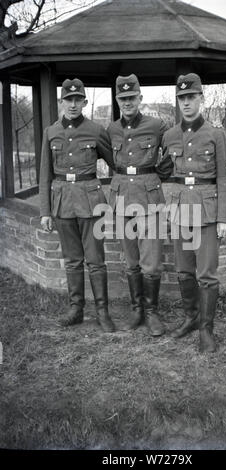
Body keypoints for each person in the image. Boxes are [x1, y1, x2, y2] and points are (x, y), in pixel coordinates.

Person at [162, 73, 226, 352]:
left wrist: (225, 218)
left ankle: (206, 329)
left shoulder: (216, 135)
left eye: (191, 97)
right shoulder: (169, 136)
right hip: (180, 211)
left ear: (201, 99)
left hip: (207, 211)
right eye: (182, 98)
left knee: (206, 273)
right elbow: (164, 173)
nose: (187, 102)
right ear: (177, 101)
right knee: (183, 270)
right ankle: (190, 318)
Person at [39, 78, 116, 332]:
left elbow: (116, 164)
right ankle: (76, 309)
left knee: (95, 260)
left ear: (84, 102)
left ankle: (102, 312)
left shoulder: (96, 130)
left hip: (91, 202)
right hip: (62, 203)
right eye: (68, 100)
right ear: (61, 102)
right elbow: (44, 175)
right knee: (72, 260)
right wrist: (45, 212)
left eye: (77, 100)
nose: (73, 104)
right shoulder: (51, 132)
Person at [107, 74, 173, 336]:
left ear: (140, 98)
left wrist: (159, 174)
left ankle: (151, 312)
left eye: (131, 97)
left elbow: (176, 147)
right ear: (117, 100)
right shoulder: (111, 129)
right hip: (122, 199)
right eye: (123, 98)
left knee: (152, 261)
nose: (127, 102)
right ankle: (137, 310)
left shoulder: (157, 125)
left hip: (150, 200)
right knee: (131, 259)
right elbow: (106, 155)